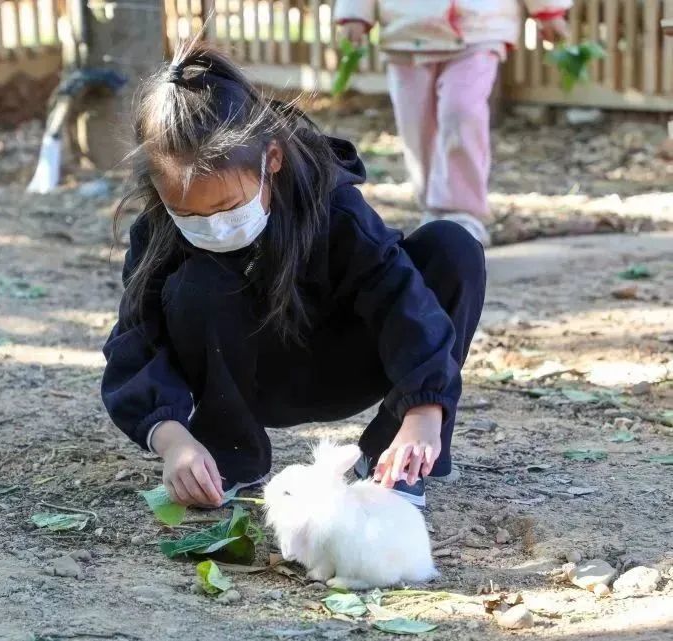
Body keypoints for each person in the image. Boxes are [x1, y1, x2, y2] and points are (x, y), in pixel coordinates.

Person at [100, 40, 485, 509]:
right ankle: (227, 456)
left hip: (347, 364)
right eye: (186, 212)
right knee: (194, 284)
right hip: (246, 379)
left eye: (227, 206)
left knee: (453, 247)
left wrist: (426, 409)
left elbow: (401, 298)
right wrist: (172, 440)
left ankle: (393, 458)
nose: (212, 224)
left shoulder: (335, 207)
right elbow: (136, 342)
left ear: (272, 160)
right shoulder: (158, 233)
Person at [334, 0, 572, 246]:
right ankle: (434, 211)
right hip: (406, 30)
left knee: (462, 112)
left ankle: (463, 213)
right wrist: (355, 12)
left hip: (478, 26)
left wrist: (549, 10)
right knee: (417, 127)